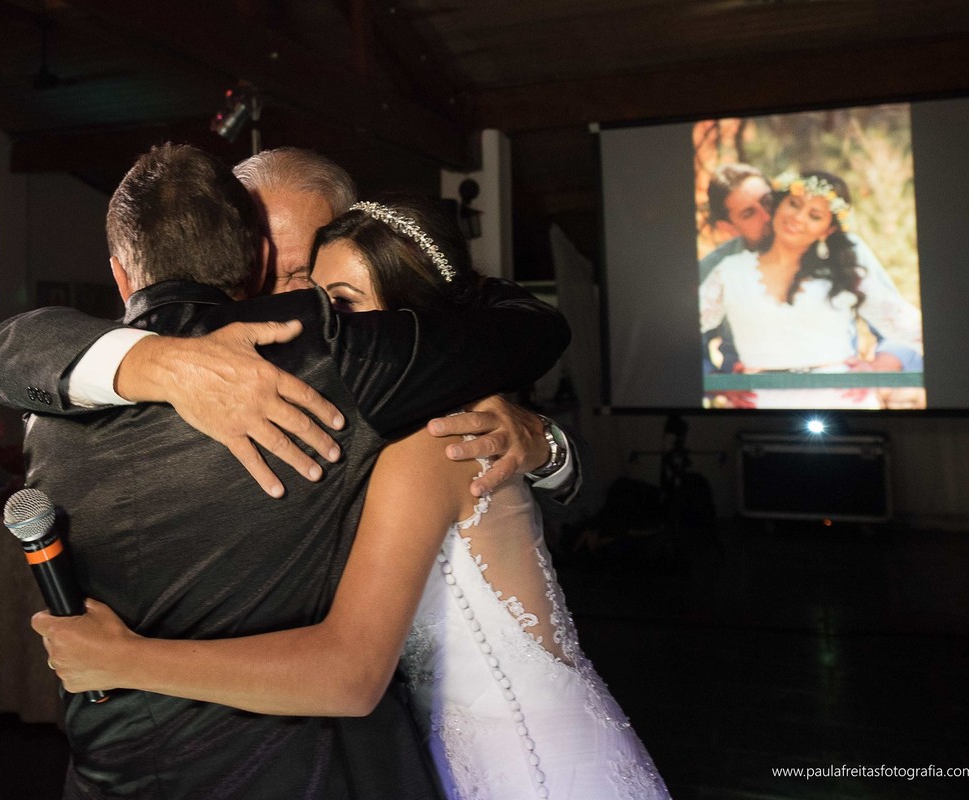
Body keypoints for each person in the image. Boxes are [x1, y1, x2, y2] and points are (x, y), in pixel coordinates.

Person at [33, 195, 671, 800]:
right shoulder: (360, 409)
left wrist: (124, 659)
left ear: (414, 318)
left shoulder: (432, 432)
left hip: (528, 764)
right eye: (316, 300)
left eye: (341, 303)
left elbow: (350, 673)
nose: (322, 329)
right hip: (441, 755)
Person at [0, 146, 586, 511]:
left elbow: (530, 332)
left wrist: (546, 447)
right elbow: (14, 352)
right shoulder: (184, 344)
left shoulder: (389, 351)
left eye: (301, 277)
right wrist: (159, 366)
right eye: (254, 272)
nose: (274, 300)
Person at [699, 170, 923, 409]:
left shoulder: (844, 268)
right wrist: (716, 381)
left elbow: (914, 330)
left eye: (815, 215)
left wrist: (874, 370)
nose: (798, 218)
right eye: (794, 204)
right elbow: (674, 337)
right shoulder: (728, 271)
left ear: (828, 229)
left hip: (841, 404)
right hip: (760, 406)